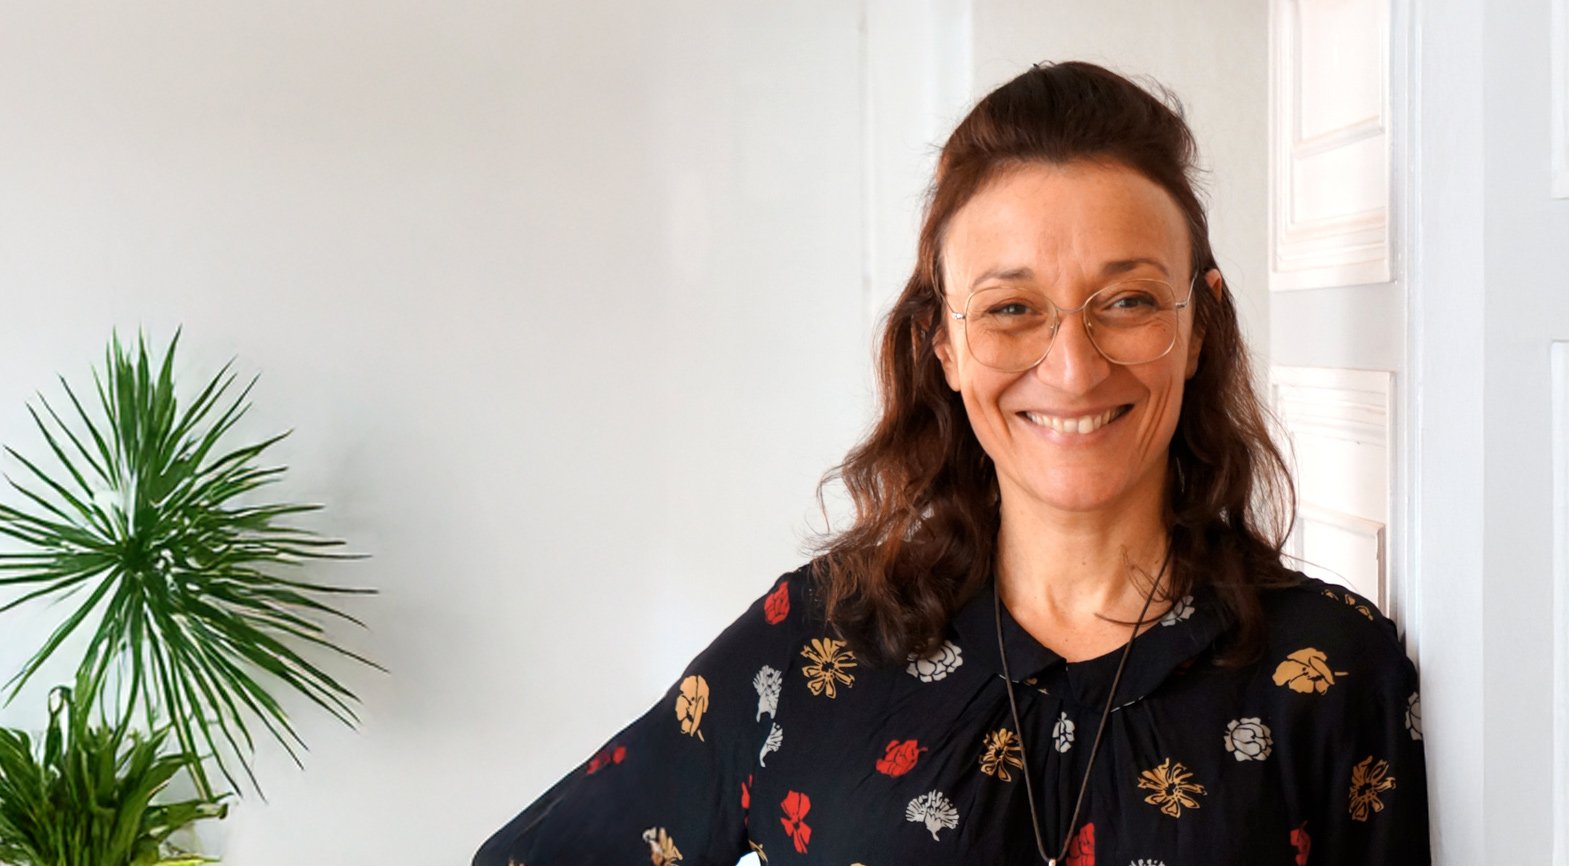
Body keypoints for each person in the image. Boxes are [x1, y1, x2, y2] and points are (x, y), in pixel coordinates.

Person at [472, 61, 1429, 865]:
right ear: (943, 343)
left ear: (1199, 324)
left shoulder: (1331, 670)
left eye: (1128, 301)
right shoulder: (811, 647)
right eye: (1011, 309)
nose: (1072, 367)